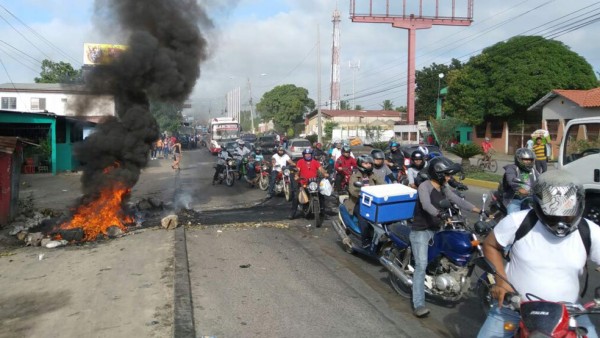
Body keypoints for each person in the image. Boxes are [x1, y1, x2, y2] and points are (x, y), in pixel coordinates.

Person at [477, 171, 600, 338]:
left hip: (570, 312)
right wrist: (500, 281)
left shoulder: (590, 231)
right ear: (538, 206)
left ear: (578, 205)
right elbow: (491, 245)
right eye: (553, 215)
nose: (560, 222)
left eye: (567, 214)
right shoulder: (518, 222)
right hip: (514, 307)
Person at [410, 156, 482, 318]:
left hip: (437, 228)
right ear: (438, 174)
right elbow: (426, 205)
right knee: (421, 265)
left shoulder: (443, 186)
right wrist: (440, 214)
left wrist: (479, 211)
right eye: (447, 175)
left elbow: (456, 199)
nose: (449, 178)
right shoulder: (425, 186)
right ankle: (418, 303)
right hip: (421, 230)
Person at [347, 155, 384, 247]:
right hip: (357, 202)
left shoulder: (373, 175)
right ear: (360, 164)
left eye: (370, 163)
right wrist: (362, 194)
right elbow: (353, 190)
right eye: (366, 163)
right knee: (363, 217)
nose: (368, 165)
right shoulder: (355, 176)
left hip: (373, 202)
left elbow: (382, 183)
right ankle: (365, 240)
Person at [290, 148, 329, 219]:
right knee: (296, 197)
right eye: (306, 154)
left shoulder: (315, 162)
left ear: (311, 155)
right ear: (304, 155)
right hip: (303, 183)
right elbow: (297, 170)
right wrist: (296, 176)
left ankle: (323, 212)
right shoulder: (300, 162)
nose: (308, 156)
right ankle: (293, 213)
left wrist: (325, 173)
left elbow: (321, 169)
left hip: (314, 183)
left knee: (321, 196)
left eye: (309, 154)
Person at [502, 148, 538, 214]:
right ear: (518, 159)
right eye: (525, 159)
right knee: (513, 219)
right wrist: (519, 188)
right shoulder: (512, 168)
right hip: (514, 199)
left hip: (530, 198)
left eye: (530, 160)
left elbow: (540, 179)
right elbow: (511, 180)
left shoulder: (533, 170)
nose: (528, 161)